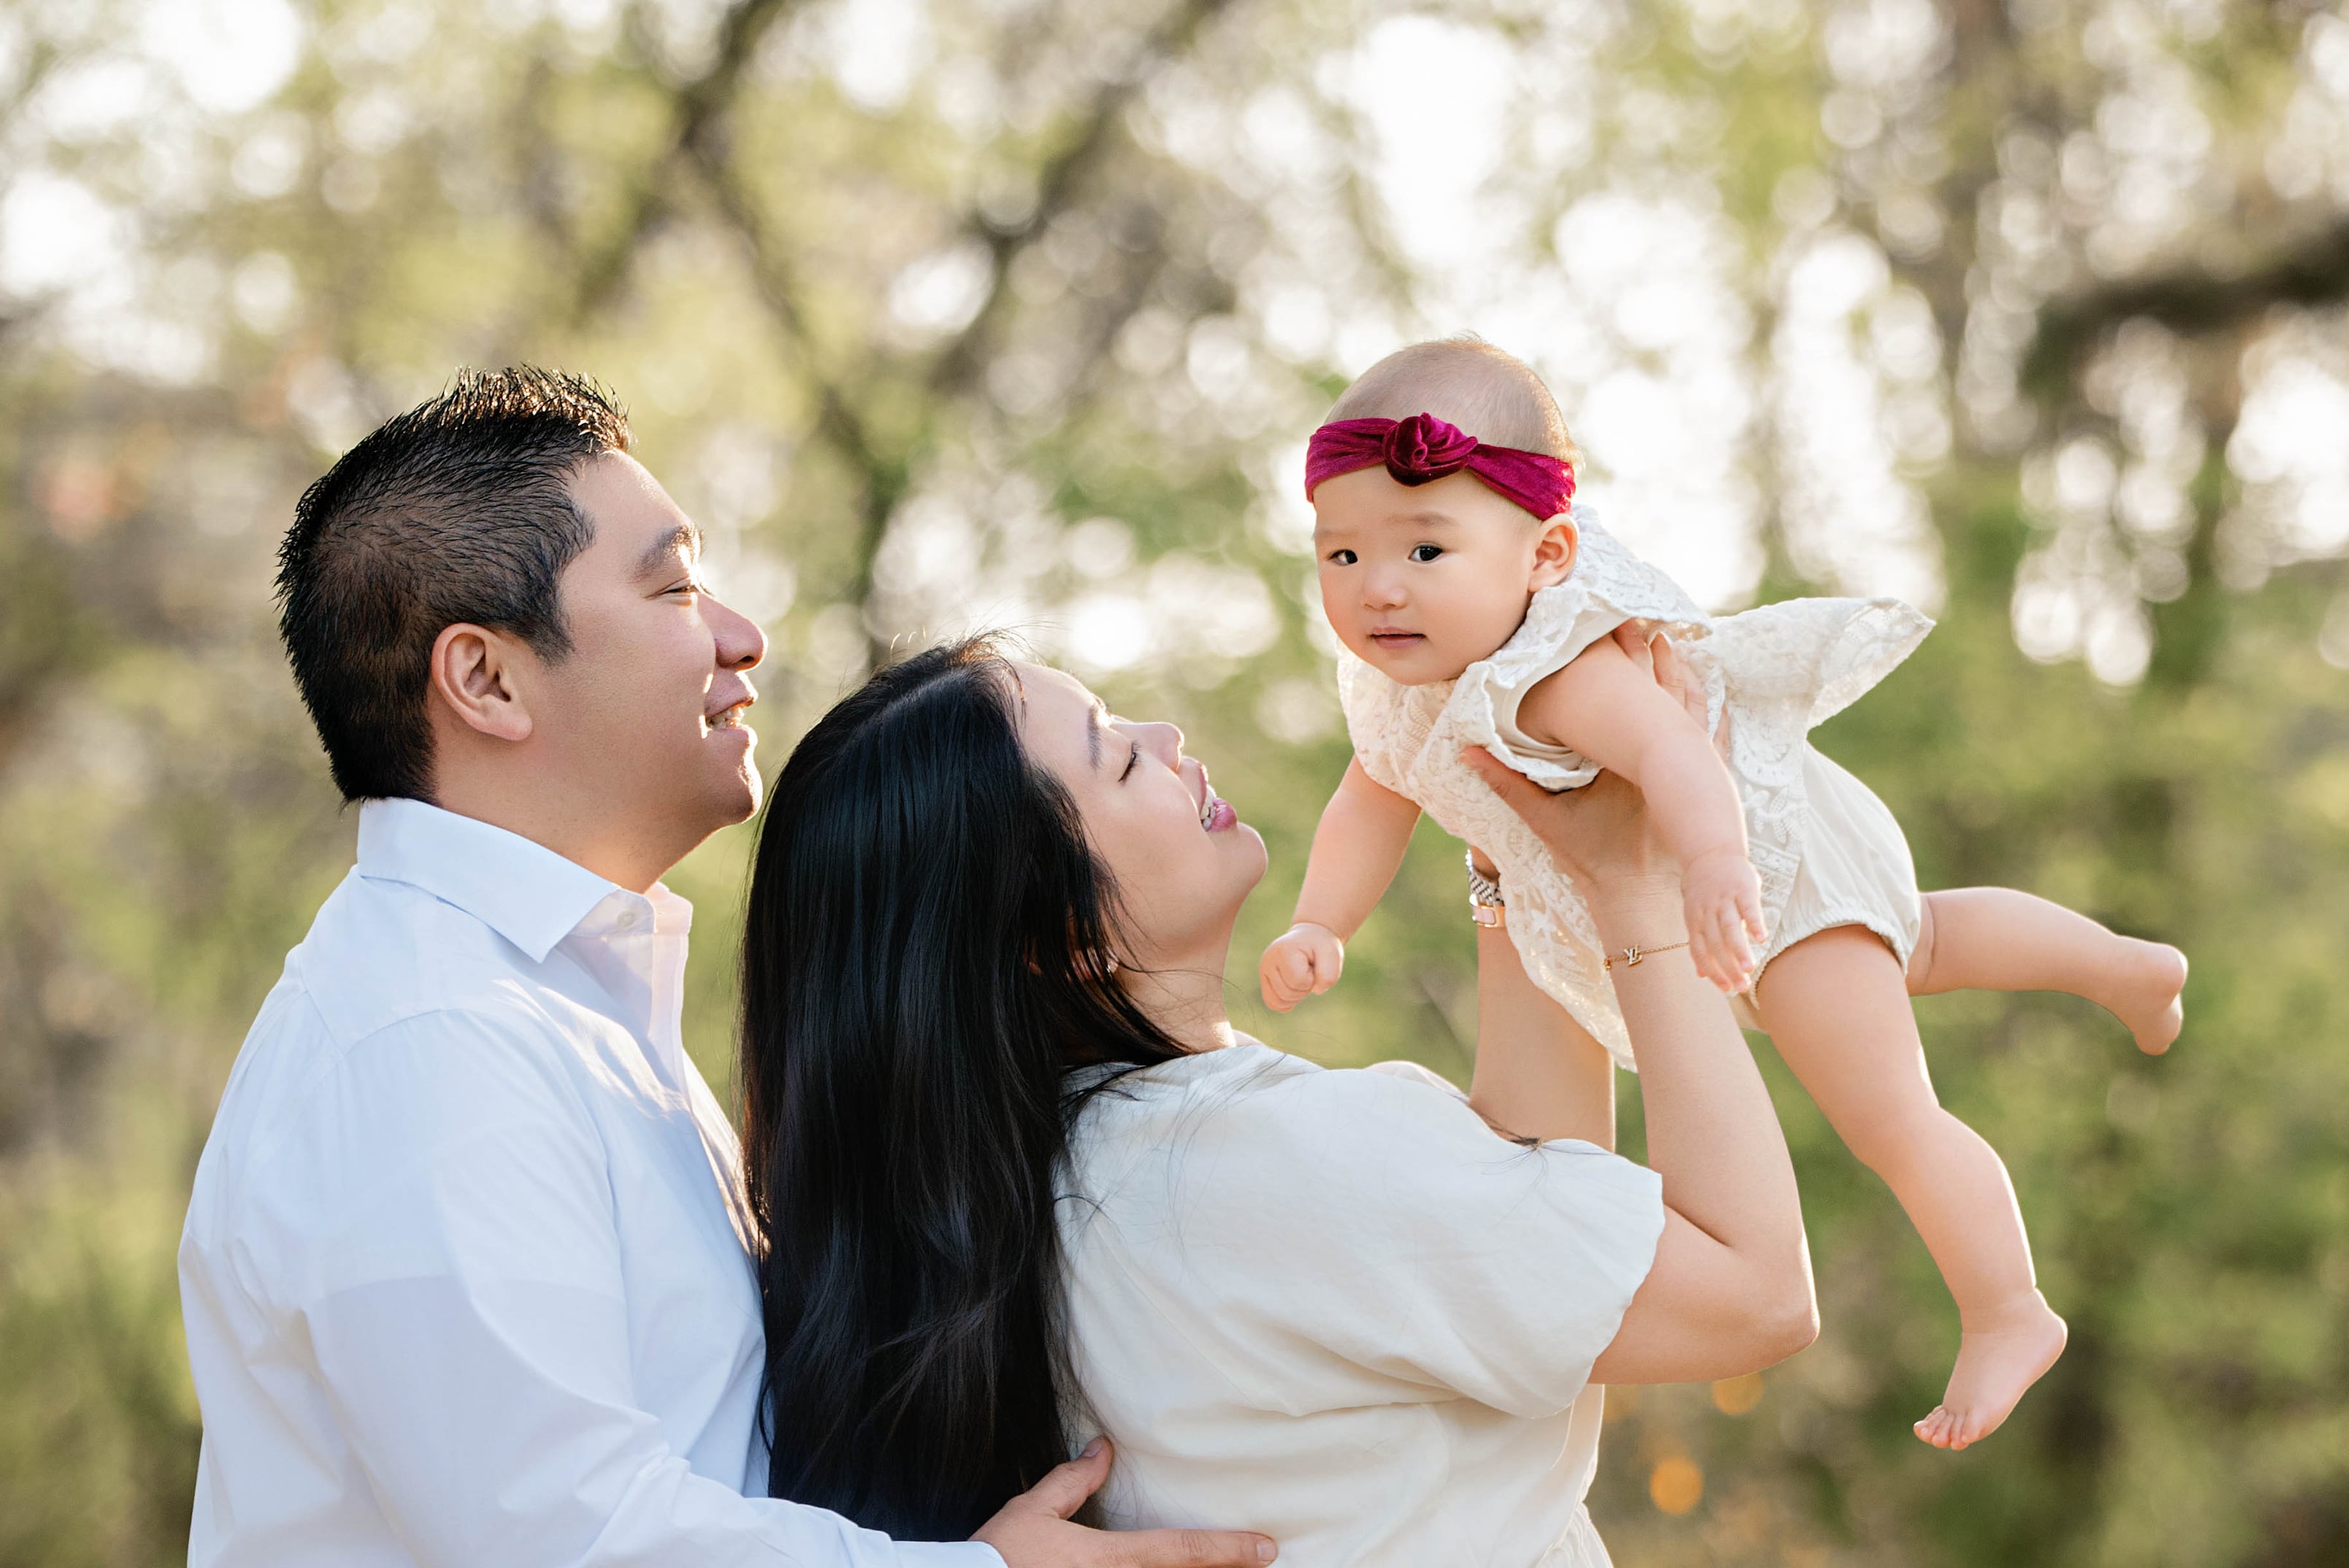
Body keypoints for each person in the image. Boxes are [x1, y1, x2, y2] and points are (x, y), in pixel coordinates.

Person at [177, 367, 1274, 1568]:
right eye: (676, 587)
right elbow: (572, 1539)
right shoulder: (428, 1045)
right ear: (487, 679)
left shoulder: (565, 1012)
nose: (743, 636)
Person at [1253, 337, 2192, 1450]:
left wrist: (1713, 868)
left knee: (1887, 1108)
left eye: (1424, 547)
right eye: (1343, 556)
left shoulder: (1555, 669)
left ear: (1546, 553)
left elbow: (1673, 753)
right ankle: (2128, 965)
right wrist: (1322, 919)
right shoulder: (1406, 684)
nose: (1379, 588)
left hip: (1759, 876)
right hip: (1753, 866)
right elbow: (1372, 801)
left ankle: (2007, 1306)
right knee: (1926, 933)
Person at [737, 632, 1818, 1565]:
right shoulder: (1260, 1161)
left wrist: (1514, 845)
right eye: (1117, 757)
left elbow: (1532, 1209)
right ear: (1057, 940)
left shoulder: (1039, 1196)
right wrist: (1638, 894)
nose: (1165, 738)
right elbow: (1755, 1293)